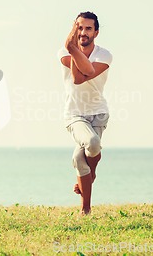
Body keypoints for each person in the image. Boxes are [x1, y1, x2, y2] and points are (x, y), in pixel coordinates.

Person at [58, 11, 112, 215]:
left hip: (98, 114)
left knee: (81, 160)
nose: (83, 32)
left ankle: (85, 209)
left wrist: (73, 48)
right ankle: (92, 179)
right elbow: (76, 78)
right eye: (79, 27)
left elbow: (85, 74)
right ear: (74, 29)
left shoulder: (104, 55)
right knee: (92, 143)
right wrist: (71, 48)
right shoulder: (63, 52)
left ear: (96, 32)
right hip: (74, 115)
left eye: (88, 28)